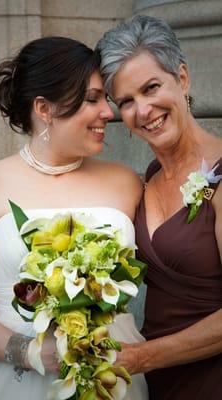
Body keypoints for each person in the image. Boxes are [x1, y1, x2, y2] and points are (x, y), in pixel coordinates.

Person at [0, 36, 148, 400]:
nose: (109, 112)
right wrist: (29, 353)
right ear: (44, 108)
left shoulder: (127, 183)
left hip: (113, 378)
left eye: (105, 98)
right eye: (92, 99)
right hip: (12, 383)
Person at [96, 14, 222, 399]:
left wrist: (141, 358)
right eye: (127, 102)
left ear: (182, 78)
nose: (143, 110)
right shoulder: (146, 179)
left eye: (152, 88)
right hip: (162, 384)